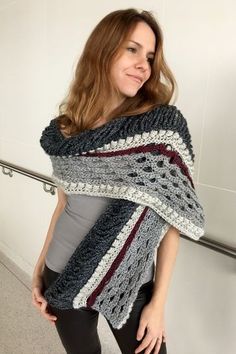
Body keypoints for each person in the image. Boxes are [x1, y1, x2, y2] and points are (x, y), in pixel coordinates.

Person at [32, 8, 204, 354]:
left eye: (151, 56)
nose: (145, 64)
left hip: (131, 279)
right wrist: (39, 268)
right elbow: (63, 204)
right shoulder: (67, 129)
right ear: (103, 50)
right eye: (132, 49)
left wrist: (157, 305)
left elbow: (172, 223)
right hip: (64, 271)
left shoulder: (161, 130)